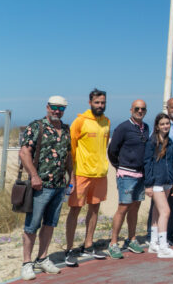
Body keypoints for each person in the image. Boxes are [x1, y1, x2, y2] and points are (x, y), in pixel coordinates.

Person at [19, 97, 71, 280]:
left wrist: (70, 177)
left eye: (61, 108)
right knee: (32, 225)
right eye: (55, 107)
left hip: (59, 186)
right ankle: (26, 263)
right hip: (40, 185)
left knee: (50, 223)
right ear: (48, 107)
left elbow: (68, 155)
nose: (57, 111)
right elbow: (24, 152)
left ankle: (42, 258)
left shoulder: (65, 129)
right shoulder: (36, 126)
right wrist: (34, 176)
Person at [65, 89, 111, 266]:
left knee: (94, 210)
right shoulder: (80, 121)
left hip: (100, 174)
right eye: (97, 102)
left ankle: (88, 245)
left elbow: (104, 146)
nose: (100, 105)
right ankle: (69, 250)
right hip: (81, 174)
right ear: (90, 102)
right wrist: (71, 175)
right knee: (75, 211)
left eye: (103, 102)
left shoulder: (106, 122)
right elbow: (71, 149)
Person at [107, 99, 149, 259]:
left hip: (140, 175)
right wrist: (119, 166)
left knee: (135, 208)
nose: (140, 111)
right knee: (123, 208)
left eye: (143, 109)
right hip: (126, 175)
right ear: (131, 109)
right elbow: (112, 150)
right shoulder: (123, 127)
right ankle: (113, 243)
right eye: (137, 108)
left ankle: (131, 239)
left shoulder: (146, 128)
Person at [146, 98, 173, 246]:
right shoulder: (153, 141)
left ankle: (162, 238)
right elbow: (148, 162)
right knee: (162, 209)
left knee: (166, 208)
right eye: (172, 107)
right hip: (157, 180)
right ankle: (158, 241)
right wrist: (149, 183)